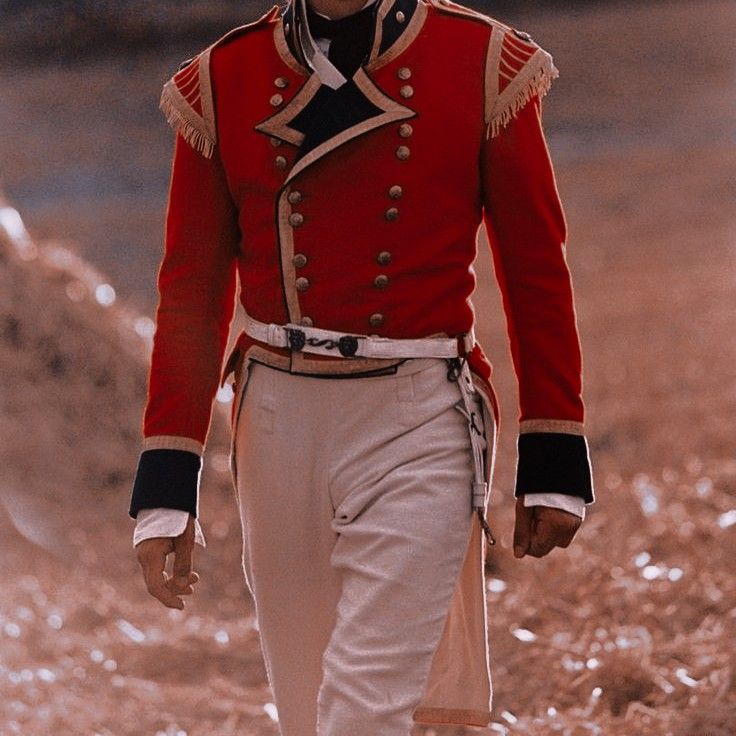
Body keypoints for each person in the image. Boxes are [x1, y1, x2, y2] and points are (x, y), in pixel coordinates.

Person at [128, 0, 595, 733]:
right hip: (277, 427)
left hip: (421, 415)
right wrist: (167, 487)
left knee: (361, 711)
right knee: (308, 714)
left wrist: (554, 452)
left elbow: (535, 265)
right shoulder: (221, 79)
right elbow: (190, 293)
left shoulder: (483, 61)